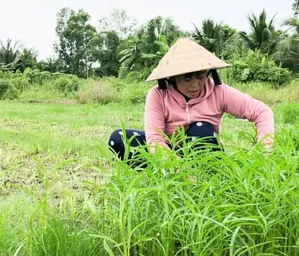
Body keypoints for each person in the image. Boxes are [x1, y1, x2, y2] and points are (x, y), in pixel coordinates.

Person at [108, 37, 274, 167]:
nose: (195, 85)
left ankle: (206, 179)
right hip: (167, 152)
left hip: (202, 152)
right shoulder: (158, 95)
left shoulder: (219, 92)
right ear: (172, 77)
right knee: (119, 138)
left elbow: (262, 112)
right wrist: (178, 167)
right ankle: (162, 179)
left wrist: (264, 153)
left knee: (201, 129)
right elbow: (155, 139)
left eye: (201, 75)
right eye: (186, 78)